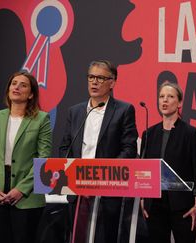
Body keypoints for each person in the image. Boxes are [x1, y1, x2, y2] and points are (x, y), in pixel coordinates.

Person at [59, 60, 138, 243]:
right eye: (91, 77)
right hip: (77, 189)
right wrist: (73, 175)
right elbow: (65, 147)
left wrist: (104, 176)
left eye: (100, 78)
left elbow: (129, 149)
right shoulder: (75, 111)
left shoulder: (124, 110)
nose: (94, 82)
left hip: (108, 190)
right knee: (77, 237)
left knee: (105, 237)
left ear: (112, 82)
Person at [0, 71, 52, 243]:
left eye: (23, 85)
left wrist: (22, 189)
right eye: (14, 83)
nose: (17, 87)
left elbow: (44, 159)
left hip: (27, 196)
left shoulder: (41, 119)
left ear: (31, 94)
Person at [139, 82, 196, 243]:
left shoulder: (191, 133)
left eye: (170, 96)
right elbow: (143, 169)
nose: (164, 100)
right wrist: (141, 199)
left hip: (183, 206)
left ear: (180, 103)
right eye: (161, 97)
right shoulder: (149, 133)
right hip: (154, 205)